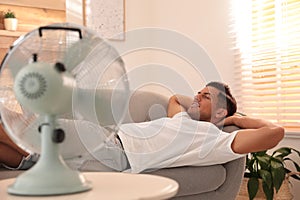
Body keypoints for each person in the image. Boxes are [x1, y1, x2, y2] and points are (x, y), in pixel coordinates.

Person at [0, 81, 284, 173]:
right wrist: (202, 103)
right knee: (27, 156)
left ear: (221, 111)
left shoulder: (214, 140)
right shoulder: (182, 120)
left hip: (113, 149)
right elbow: (175, 99)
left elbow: (274, 133)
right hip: (107, 141)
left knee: (18, 124)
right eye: (198, 92)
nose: (196, 97)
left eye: (205, 96)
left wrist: (232, 120)